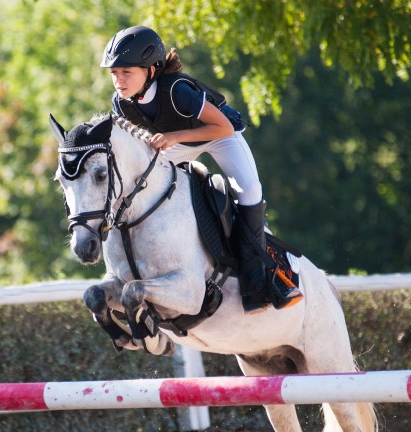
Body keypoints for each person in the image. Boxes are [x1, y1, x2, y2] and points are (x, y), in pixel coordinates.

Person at [100, 25, 303, 313]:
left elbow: (223, 127)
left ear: (152, 70)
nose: (119, 80)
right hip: (179, 143)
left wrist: (175, 138)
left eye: (126, 72)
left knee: (249, 192)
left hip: (221, 137)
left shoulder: (178, 92)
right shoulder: (122, 104)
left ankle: (264, 279)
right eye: (114, 74)